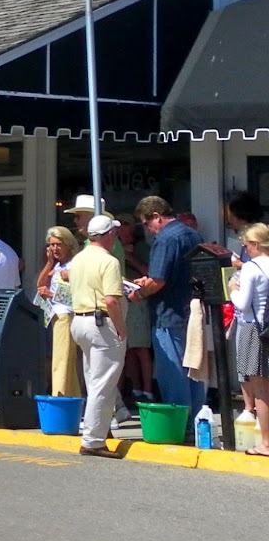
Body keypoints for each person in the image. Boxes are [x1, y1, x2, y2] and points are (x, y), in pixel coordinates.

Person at [130, 195, 205, 426]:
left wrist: (139, 293)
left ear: (156, 217)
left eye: (146, 223)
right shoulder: (192, 234)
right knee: (193, 369)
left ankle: (178, 424)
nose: (148, 229)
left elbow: (159, 280)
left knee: (172, 372)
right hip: (191, 310)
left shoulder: (164, 239)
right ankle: (194, 420)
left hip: (168, 313)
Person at [69, 213, 127, 458]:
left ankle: (99, 431)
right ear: (109, 235)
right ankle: (93, 439)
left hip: (80, 321)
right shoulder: (109, 261)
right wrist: (121, 327)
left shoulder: (78, 259)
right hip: (100, 322)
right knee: (103, 383)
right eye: (114, 232)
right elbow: (112, 300)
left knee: (94, 379)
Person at [227, 223, 269, 456]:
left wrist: (233, 287)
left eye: (246, 246)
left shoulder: (252, 268)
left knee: (261, 389)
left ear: (254, 244)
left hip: (255, 329)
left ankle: (266, 442)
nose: (245, 250)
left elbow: (243, 304)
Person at [37, 226, 82, 398]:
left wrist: (51, 294)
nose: (54, 249)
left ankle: (60, 396)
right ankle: (71, 397)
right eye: (51, 245)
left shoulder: (74, 265)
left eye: (58, 244)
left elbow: (75, 294)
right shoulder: (57, 265)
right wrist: (49, 262)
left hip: (66, 315)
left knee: (62, 360)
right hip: (55, 315)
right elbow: (40, 284)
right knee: (61, 359)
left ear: (69, 245)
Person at [115, 216, 155, 403]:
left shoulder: (142, 248)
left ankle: (148, 389)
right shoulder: (113, 248)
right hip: (121, 300)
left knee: (141, 347)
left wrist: (129, 256)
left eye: (123, 225)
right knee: (128, 348)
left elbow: (150, 272)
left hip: (138, 300)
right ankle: (136, 388)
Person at [223, 191, 265, 266]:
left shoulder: (259, 237)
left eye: (231, 215)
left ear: (240, 214)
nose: (229, 220)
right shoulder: (240, 239)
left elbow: (263, 266)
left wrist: (241, 265)